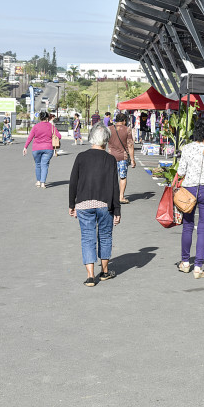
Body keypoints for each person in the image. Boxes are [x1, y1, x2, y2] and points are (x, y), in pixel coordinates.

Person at [68, 123, 121, 287]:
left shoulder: (81, 157)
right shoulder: (110, 159)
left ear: (91, 137)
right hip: (105, 204)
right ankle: (104, 272)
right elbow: (115, 186)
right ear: (106, 140)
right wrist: (117, 210)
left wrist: (72, 204)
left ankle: (90, 276)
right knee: (105, 236)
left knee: (87, 237)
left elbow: (73, 182)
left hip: (83, 204)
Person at [175, 117, 204, 278]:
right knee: (203, 228)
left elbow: (181, 171)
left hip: (189, 190)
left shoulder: (187, 148)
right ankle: (198, 266)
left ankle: (185, 262)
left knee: (188, 226)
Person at [23, 111, 62, 189]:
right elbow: (59, 136)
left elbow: (30, 137)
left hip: (36, 148)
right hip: (48, 148)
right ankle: (43, 183)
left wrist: (25, 147)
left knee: (38, 164)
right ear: (47, 118)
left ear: (40, 118)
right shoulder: (51, 126)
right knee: (45, 165)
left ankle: (38, 181)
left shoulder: (36, 126)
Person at [106, 113, 136, 204]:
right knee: (122, 177)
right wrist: (132, 159)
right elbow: (130, 145)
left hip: (111, 156)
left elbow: (104, 142)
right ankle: (121, 197)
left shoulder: (109, 129)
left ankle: (110, 196)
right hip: (123, 157)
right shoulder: (127, 130)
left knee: (111, 177)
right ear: (124, 120)